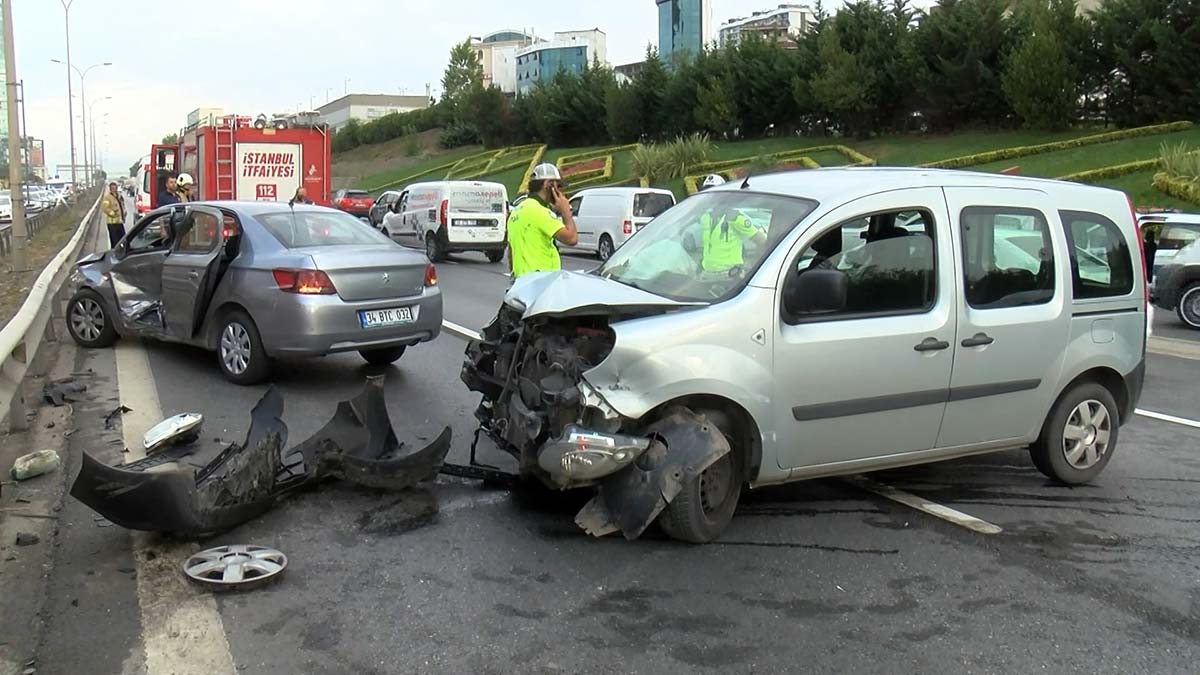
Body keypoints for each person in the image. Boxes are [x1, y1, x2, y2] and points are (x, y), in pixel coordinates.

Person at [506, 163, 579, 278]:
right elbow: (572, 239)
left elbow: (511, 252)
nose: (560, 192)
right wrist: (565, 211)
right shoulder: (539, 211)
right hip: (541, 281)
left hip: (522, 281)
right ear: (548, 184)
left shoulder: (517, 210)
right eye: (558, 186)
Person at [700, 206, 765, 274]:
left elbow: (762, 240)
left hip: (731, 275)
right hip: (707, 274)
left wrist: (755, 266)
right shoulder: (706, 217)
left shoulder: (735, 218)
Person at [101, 182, 126, 247]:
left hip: (119, 222)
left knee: (123, 239)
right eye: (112, 188)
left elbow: (122, 205)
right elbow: (105, 208)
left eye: (115, 188)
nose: (114, 189)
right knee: (114, 241)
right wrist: (113, 213)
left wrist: (124, 212)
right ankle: (114, 254)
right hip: (112, 223)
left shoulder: (119, 196)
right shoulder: (107, 198)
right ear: (110, 189)